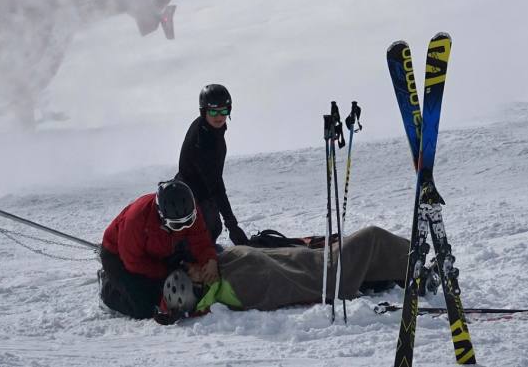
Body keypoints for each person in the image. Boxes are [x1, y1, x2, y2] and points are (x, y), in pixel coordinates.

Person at [156, 225, 414, 322]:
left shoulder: (219, 273)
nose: (194, 266)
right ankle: (417, 262)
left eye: (188, 266)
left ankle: (407, 268)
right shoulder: (238, 287)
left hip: (308, 258)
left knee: (359, 248)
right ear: (199, 287)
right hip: (321, 273)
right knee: (371, 237)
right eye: (191, 272)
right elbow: (285, 284)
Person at [99, 179, 219, 319]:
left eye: (189, 221)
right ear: (161, 216)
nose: (185, 227)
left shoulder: (188, 208)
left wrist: (210, 260)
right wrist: (168, 273)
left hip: (162, 249)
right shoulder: (136, 219)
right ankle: (108, 288)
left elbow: (200, 240)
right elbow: (133, 262)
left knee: (188, 282)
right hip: (119, 255)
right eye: (176, 225)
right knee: (144, 307)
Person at [175, 84, 248, 246]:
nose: (219, 116)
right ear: (204, 111)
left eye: (224, 111)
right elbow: (215, 183)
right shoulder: (203, 139)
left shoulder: (210, 129)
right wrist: (232, 224)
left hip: (199, 190)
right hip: (191, 196)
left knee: (213, 228)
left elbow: (214, 178)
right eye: (214, 111)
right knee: (207, 230)